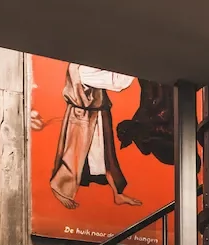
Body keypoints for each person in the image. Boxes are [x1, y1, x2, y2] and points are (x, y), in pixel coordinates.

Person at [36, 64, 144, 209]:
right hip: (82, 116)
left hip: (97, 113)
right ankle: (60, 188)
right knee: (73, 156)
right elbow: (117, 82)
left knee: (105, 157)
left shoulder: (86, 66)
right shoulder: (83, 69)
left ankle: (117, 194)